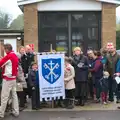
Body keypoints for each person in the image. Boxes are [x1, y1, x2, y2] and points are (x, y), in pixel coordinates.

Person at [0, 44, 19, 118]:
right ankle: (16, 111)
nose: (4, 51)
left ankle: (1, 113)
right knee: (14, 95)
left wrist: (1, 59)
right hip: (13, 78)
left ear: (7, 49)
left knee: (4, 97)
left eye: (4, 49)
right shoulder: (14, 55)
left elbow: (1, 63)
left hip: (7, 79)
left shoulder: (9, 56)